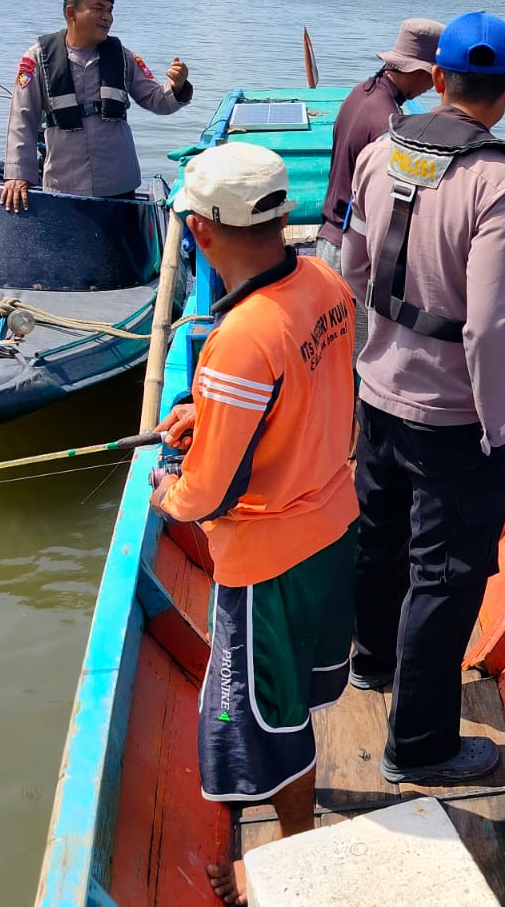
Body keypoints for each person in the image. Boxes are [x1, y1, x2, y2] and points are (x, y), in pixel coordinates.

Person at [147, 141, 359, 906]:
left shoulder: (236, 339)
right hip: (334, 529)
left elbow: (203, 495)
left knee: (261, 720)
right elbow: (304, 396)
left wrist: (166, 493)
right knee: (293, 697)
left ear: (200, 231)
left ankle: (288, 863)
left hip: (267, 566)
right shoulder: (328, 284)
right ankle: (286, 827)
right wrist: (204, 412)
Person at [341, 10, 505, 785]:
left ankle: (369, 662)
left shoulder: (384, 148)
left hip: (378, 389)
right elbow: (491, 326)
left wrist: (378, 353)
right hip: (454, 416)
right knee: (445, 576)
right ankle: (419, 747)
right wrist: (501, 422)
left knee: (378, 534)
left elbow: (353, 264)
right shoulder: (502, 180)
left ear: (441, 79)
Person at [0, 0, 193, 210]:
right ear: (72, 12)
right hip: (64, 184)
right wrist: (17, 175)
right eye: (98, 9)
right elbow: (22, 119)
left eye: (110, 10)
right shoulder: (38, 58)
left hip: (118, 183)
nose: (107, 17)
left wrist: (177, 87)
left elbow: (157, 101)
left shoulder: (123, 57)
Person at [317, 18, 444, 354]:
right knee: (361, 356)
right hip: (351, 252)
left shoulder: (362, 92)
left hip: (327, 239)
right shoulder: (387, 124)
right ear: (419, 71)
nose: (431, 88)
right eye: (432, 78)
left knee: (337, 350)